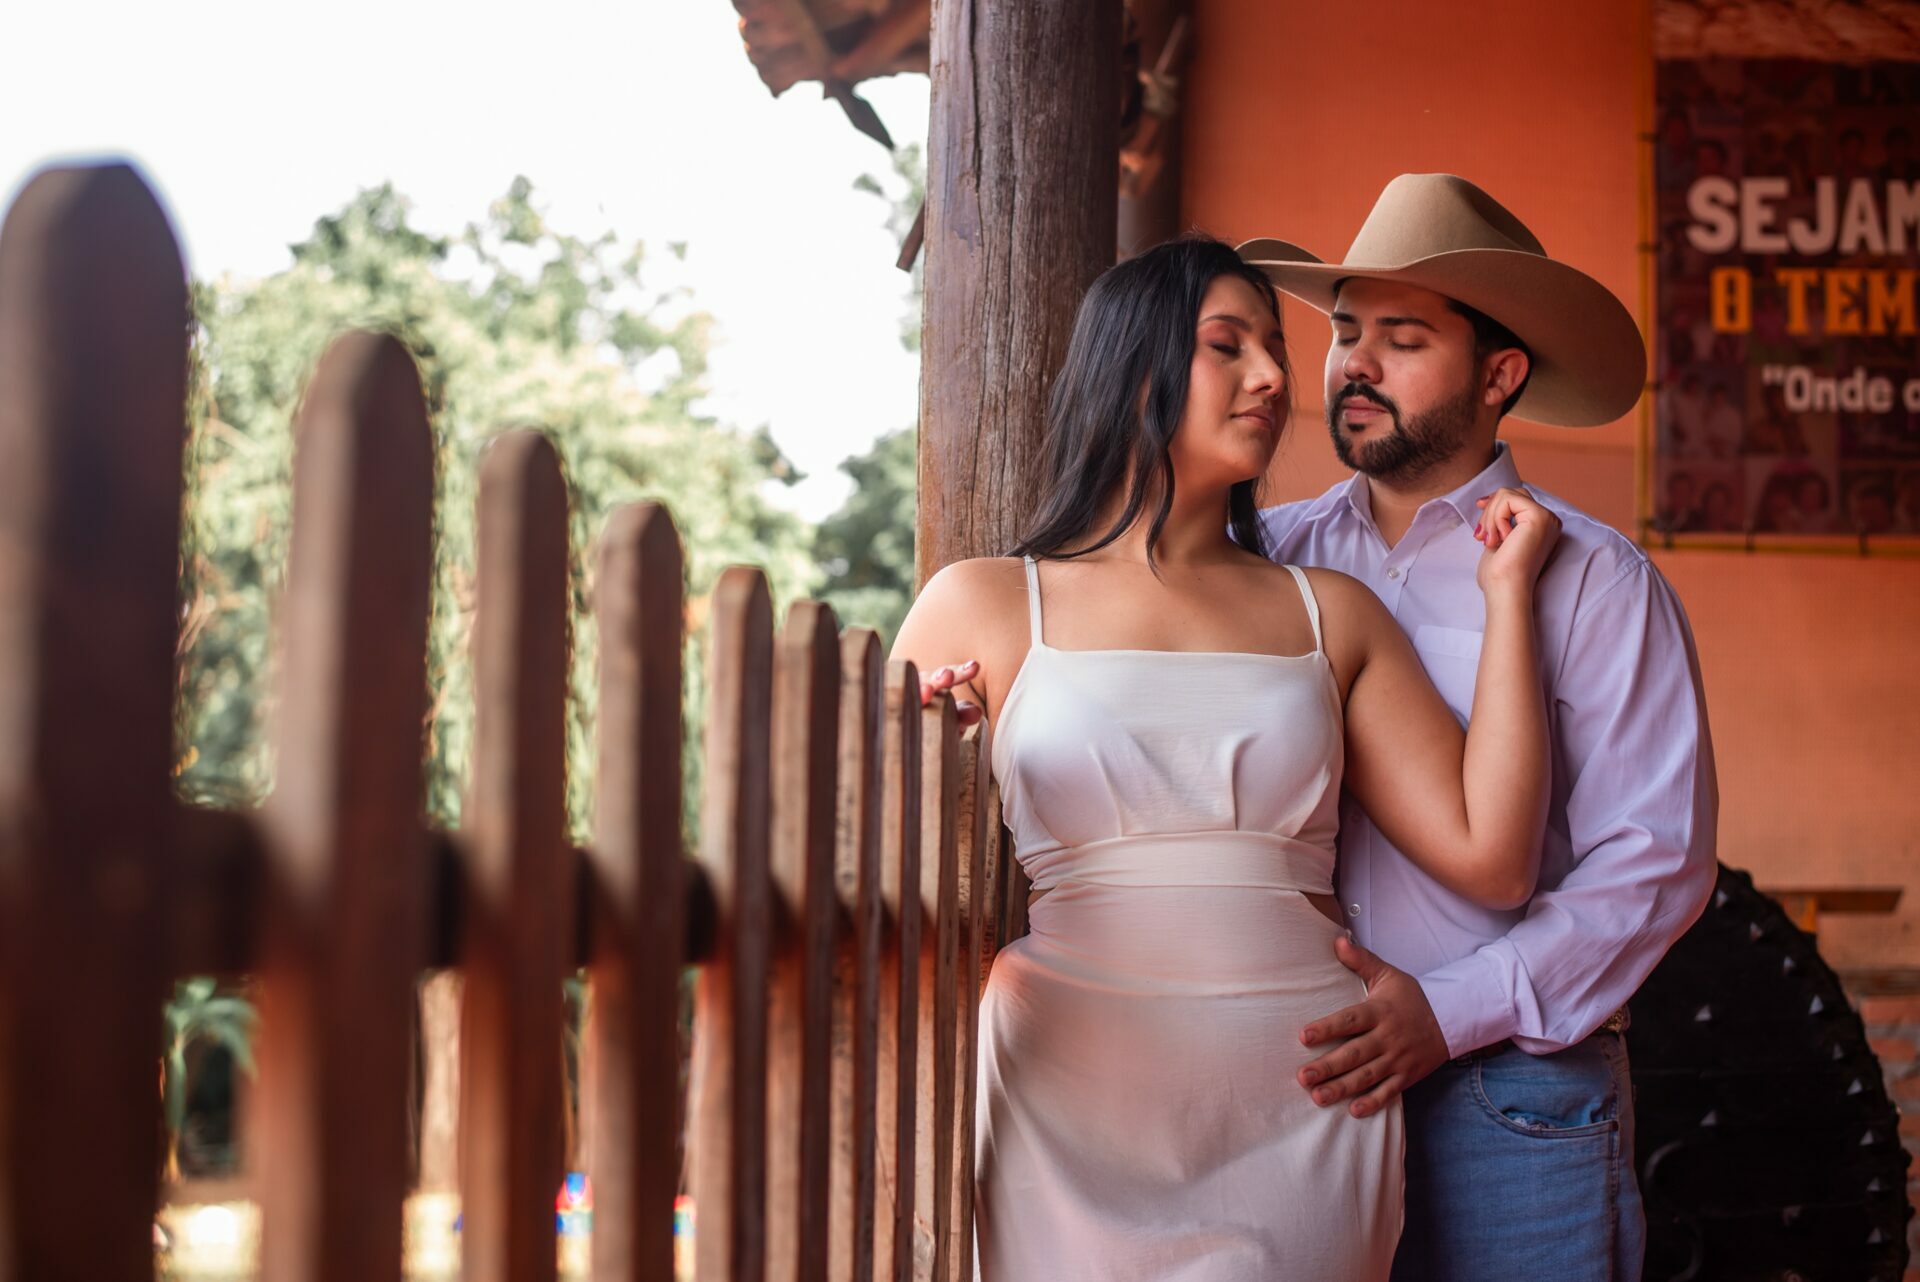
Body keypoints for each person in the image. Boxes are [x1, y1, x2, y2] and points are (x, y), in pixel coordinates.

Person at [895, 235, 1564, 1280]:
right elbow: (868, 859)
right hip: (1065, 1094)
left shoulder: (1331, 612)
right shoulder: (982, 601)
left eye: (1274, 350)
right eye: (1228, 345)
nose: (1272, 377)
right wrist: (926, 752)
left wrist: (1510, 594)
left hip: (1301, 1096)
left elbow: (1495, 856)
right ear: (1134, 367)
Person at [1240, 173, 1718, 1281]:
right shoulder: (1266, 557)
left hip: (1513, 1094)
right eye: (1346, 331)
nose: (1355, 364)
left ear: (1500, 375)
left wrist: (1448, 1012)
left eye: (1402, 339)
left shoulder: (1597, 580)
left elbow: (1654, 862)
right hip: (1293, 1080)